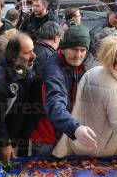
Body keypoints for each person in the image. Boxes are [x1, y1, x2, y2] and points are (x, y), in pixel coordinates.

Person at [42, 26, 98, 156]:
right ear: (63, 48)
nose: (78, 55)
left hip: (71, 128)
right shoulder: (53, 68)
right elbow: (55, 102)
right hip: (48, 132)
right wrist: (75, 128)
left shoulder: (87, 63)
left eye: (82, 50)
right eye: (73, 49)